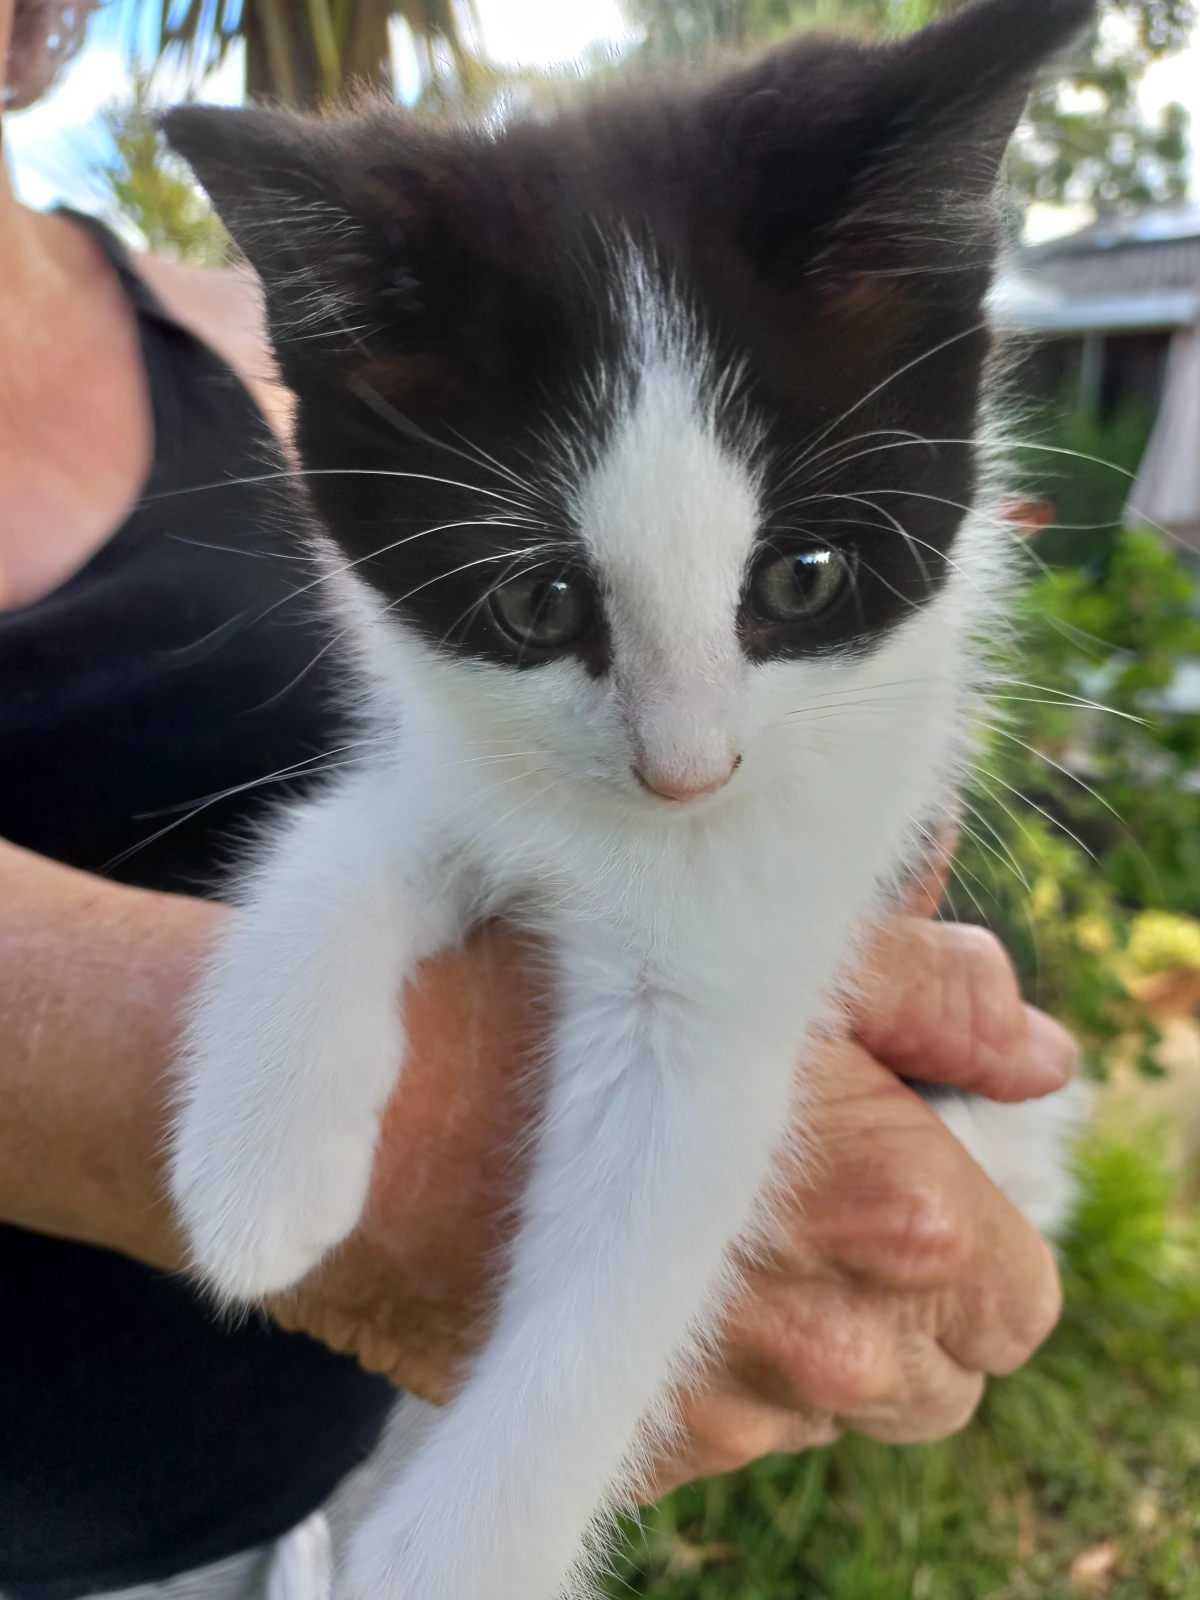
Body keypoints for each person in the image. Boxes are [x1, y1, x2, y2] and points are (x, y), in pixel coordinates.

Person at [0, 2, 1078, 1596]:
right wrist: (226, 1037)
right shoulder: (404, 374)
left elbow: (687, 1022)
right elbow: (427, 835)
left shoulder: (214, 335)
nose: (685, 761)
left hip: (280, 1505)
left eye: (797, 577)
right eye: (540, 609)